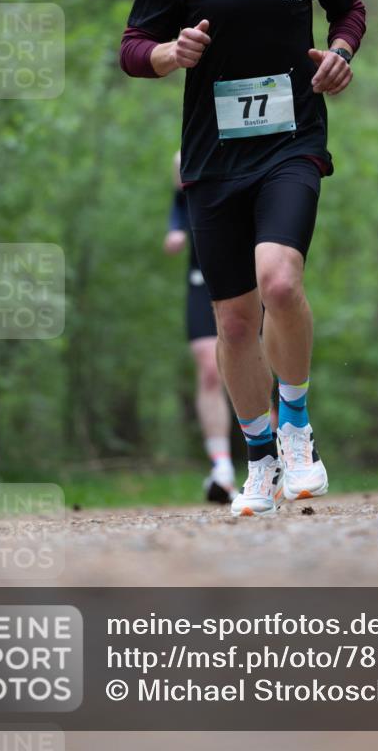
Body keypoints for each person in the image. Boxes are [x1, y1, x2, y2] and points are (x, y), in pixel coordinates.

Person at [121, 0, 366, 516]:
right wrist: (170, 55)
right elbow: (133, 46)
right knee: (232, 323)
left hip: (292, 142)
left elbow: (348, 11)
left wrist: (340, 56)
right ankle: (257, 459)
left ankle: (295, 427)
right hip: (213, 156)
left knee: (279, 283)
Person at [164, 151, 236, 503]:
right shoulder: (187, 180)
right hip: (201, 281)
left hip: (247, 276)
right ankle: (221, 468)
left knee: (259, 365)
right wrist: (175, 231)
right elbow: (179, 201)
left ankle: (278, 455)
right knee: (210, 367)